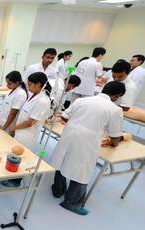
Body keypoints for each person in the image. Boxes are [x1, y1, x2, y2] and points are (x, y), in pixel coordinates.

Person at [51, 81, 125, 215]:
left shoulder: (82, 100)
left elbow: (64, 116)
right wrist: (114, 143)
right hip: (87, 141)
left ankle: (57, 190)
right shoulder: (115, 109)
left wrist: (77, 123)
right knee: (81, 171)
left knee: (63, 160)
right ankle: (71, 203)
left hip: (69, 134)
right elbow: (115, 135)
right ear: (117, 95)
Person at [1, 72, 52, 188]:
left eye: (30, 84)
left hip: (27, 134)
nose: (28, 87)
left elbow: (30, 122)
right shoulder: (33, 95)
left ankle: (16, 181)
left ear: (39, 85)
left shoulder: (43, 101)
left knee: (22, 157)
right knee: (16, 154)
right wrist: (16, 128)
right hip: (21, 131)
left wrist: (14, 127)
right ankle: (12, 176)